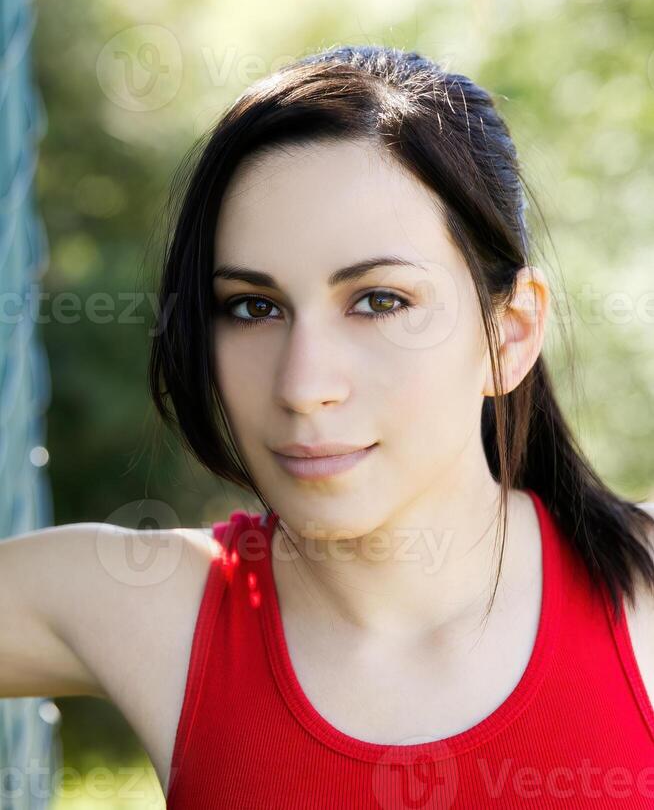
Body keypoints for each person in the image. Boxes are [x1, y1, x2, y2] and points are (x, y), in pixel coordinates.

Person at [2, 46, 653, 808]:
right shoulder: (146, 609)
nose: (303, 385)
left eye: (379, 301)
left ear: (509, 333)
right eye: (254, 306)